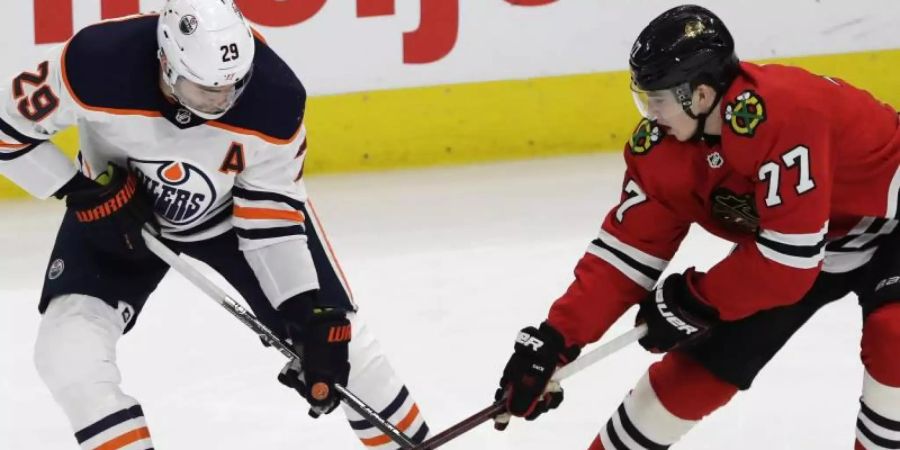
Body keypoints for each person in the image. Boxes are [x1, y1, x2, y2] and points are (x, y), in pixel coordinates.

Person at [0, 1, 429, 448]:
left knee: (347, 353)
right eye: (204, 89)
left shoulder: (275, 98)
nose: (221, 101)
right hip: (117, 218)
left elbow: (271, 217)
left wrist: (304, 313)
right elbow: (6, 127)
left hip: (233, 225)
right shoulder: (96, 61)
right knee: (67, 355)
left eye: (232, 87)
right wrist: (81, 192)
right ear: (165, 61)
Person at [493, 4, 900, 449]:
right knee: (691, 376)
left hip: (888, 229)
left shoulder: (784, 115)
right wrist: (556, 340)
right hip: (801, 244)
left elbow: (787, 268)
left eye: (659, 99)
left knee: (893, 338)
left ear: (701, 95)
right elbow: (627, 252)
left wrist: (696, 299)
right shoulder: (664, 149)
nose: (650, 113)